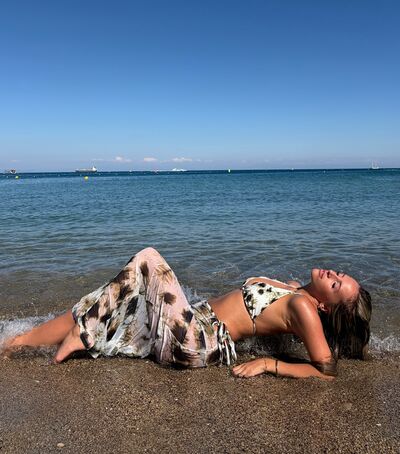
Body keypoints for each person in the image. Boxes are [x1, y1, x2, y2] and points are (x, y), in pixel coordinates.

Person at [3, 247, 372, 380]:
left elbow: (326, 370)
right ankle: (16, 343)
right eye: (340, 274)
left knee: (148, 259)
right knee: (107, 305)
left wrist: (268, 364)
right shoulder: (295, 290)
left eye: (336, 284)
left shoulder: (304, 307)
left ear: (325, 307)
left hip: (199, 341)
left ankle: (80, 334)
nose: (333, 274)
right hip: (192, 323)